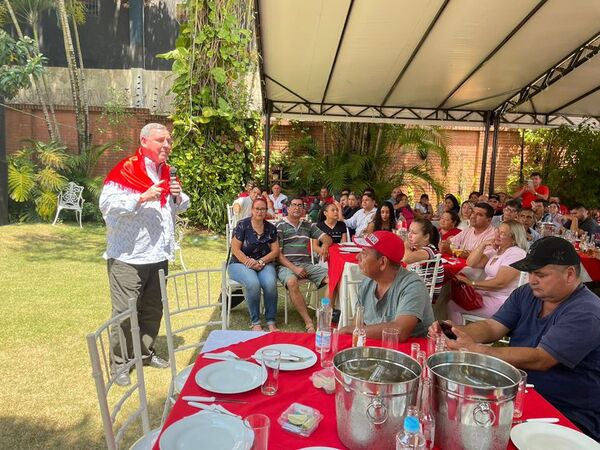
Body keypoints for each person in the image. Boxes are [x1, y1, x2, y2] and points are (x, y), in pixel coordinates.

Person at [430, 237, 600, 441]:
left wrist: (478, 351)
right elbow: (493, 327)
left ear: (570, 274)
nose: (532, 280)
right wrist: (455, 331)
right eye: (529, 273)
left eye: (540, 274)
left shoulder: (587, 311)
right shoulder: (527, 293)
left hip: (566, 412)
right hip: (517, 395)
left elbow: (542, 358)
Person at [99, 123, 190, 386]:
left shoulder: (167, 172)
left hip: (158, 254)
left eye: (169, 141)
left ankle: (145, 353)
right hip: (129, 256)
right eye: (161, 140)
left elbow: (179, 206)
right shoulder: (126, 169)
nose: (166, 145)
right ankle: (120, 364)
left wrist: (178, 196)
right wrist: (141, 197)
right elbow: (107, 206)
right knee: (125, 313)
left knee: (153, 309)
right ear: (144, 141)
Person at [338, 231, 434, 340]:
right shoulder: (366, 284)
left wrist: (350, 330)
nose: (357, 257)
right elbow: (358, 325)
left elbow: (400, 331)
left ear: (382, 262)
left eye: (364, 252)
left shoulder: (412, 286)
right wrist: (354, 330)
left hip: (410, 354)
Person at [447, 220, 527, 323]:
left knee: (453, 305)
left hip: (504, 302)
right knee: (454, 296)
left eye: (502, 233)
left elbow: (500, 283)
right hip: (488, 295)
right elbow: (471, 262)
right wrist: (483, 244)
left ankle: (457, 336)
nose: (497, 235)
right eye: (497, 231)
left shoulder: (516, 253)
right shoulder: (497, 250)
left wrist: (472, 284)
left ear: (514, 238)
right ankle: (460, 333)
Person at [277, 196, 333, 332]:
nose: (297, 208)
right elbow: (277, 255)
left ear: (303, 209)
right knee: (291, 282)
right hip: (286, 265)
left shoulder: (308, 225)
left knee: (333, 279)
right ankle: (308, 322)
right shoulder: (280, 226)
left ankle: (324, 314)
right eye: (294, 205)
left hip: (306, 264)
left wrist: (325, 245)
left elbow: (327, 238)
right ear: (288, 208)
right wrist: (295, 269)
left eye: (300, 205)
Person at [228, 197, 280, 332]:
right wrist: (248, 262)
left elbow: (275, 251)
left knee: (269, 283)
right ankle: (255, 322)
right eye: (257, 208)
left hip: (263, 263)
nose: (260, 212)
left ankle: (271, 321)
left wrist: (261, 261)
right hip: (239, 263)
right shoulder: (242, 225)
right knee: (253, 283)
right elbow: (235, 249)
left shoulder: (271, 228)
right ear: (252, 210)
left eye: (263, 209)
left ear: (266, 211)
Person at [403, 219, 444, 297]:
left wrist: (405, 244)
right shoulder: (417, 249)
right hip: (415, 291)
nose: (409, 235)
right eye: (409, 231)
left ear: (426, 237)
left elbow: (407, 259)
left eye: (414, 233)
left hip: (422, 297)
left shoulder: (429, 250)